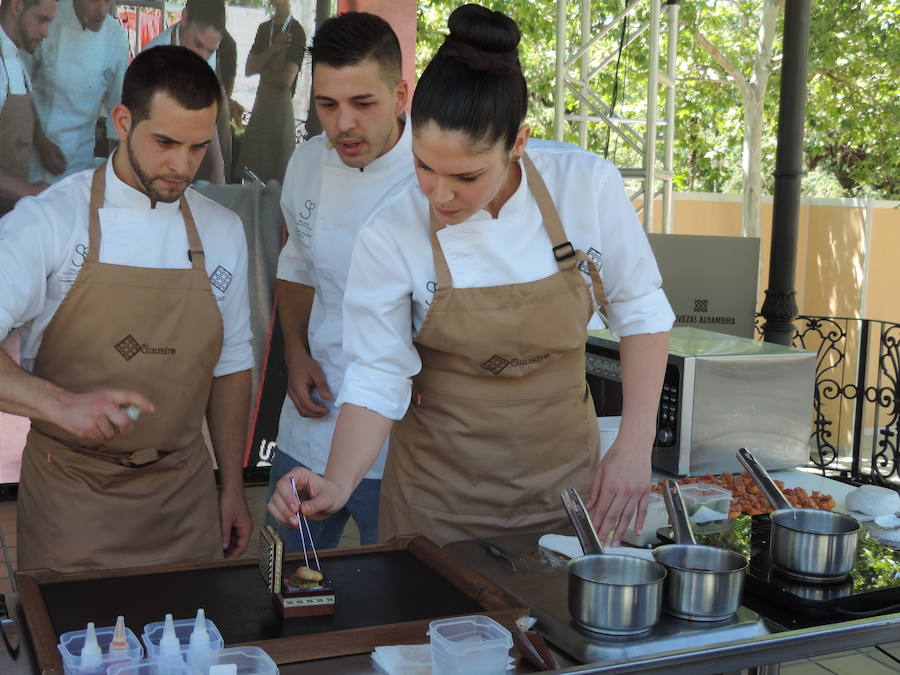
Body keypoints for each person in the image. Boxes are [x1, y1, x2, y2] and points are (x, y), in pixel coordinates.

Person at [268, 4, 675, 547]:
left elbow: (641, 310)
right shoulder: (391, 225)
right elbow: (378, 375)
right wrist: (338, 481)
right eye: (423, 167)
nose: (439, 194)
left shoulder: (586, 186)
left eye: (465, 176)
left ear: (519, 144)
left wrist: (633, 442)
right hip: (439, 498)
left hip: (569, 490)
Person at [0, 45, 254, 572]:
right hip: (72, 501)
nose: (181, 166)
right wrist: (62, 407)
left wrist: (231, 485)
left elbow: (231, 366)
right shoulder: (48, 223)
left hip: (183, 499)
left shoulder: (223, 232)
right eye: (164, 142)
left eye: (197, 148)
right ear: (121, 121)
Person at [264, 12, 411, 550]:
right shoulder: (307, 163)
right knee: (281, 579)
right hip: (314, 413)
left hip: (405, 434)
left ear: (400, 95)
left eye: (362, 104)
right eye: (327, 105)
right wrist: (295, 351)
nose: (343, 124)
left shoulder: (436, 172)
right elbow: (298, 265)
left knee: (397, 596)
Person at [25, 0, 129, 184]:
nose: (102, 10)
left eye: (107, 1)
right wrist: (40, 140)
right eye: (94, 1)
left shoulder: (116, 38)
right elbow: (20, 84)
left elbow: (119, 113)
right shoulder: (48, 20)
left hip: (79, 165)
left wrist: (116, 177)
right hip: (32, 158)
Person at [144, 0, 229, 184]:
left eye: (210, 51)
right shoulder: (153, 59)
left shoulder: (208, 51)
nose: (203, 58)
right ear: (184, 18)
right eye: (198, 45)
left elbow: (206, 103)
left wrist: (218, 169)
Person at [0, 0, 64, 215]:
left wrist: (41, 141)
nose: (46, 32)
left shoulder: (15, 60)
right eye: (41, 20)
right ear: (17, 6)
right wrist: (29, 191)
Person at [235, 0, 305, 183]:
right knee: (252, 177)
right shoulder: (264, 29)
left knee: (280, 180)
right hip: (261, 109)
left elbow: (285, 80)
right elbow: (249, 69)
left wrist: (262, 69)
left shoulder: (297, 32)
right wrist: (274, 48)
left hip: (281, 113)